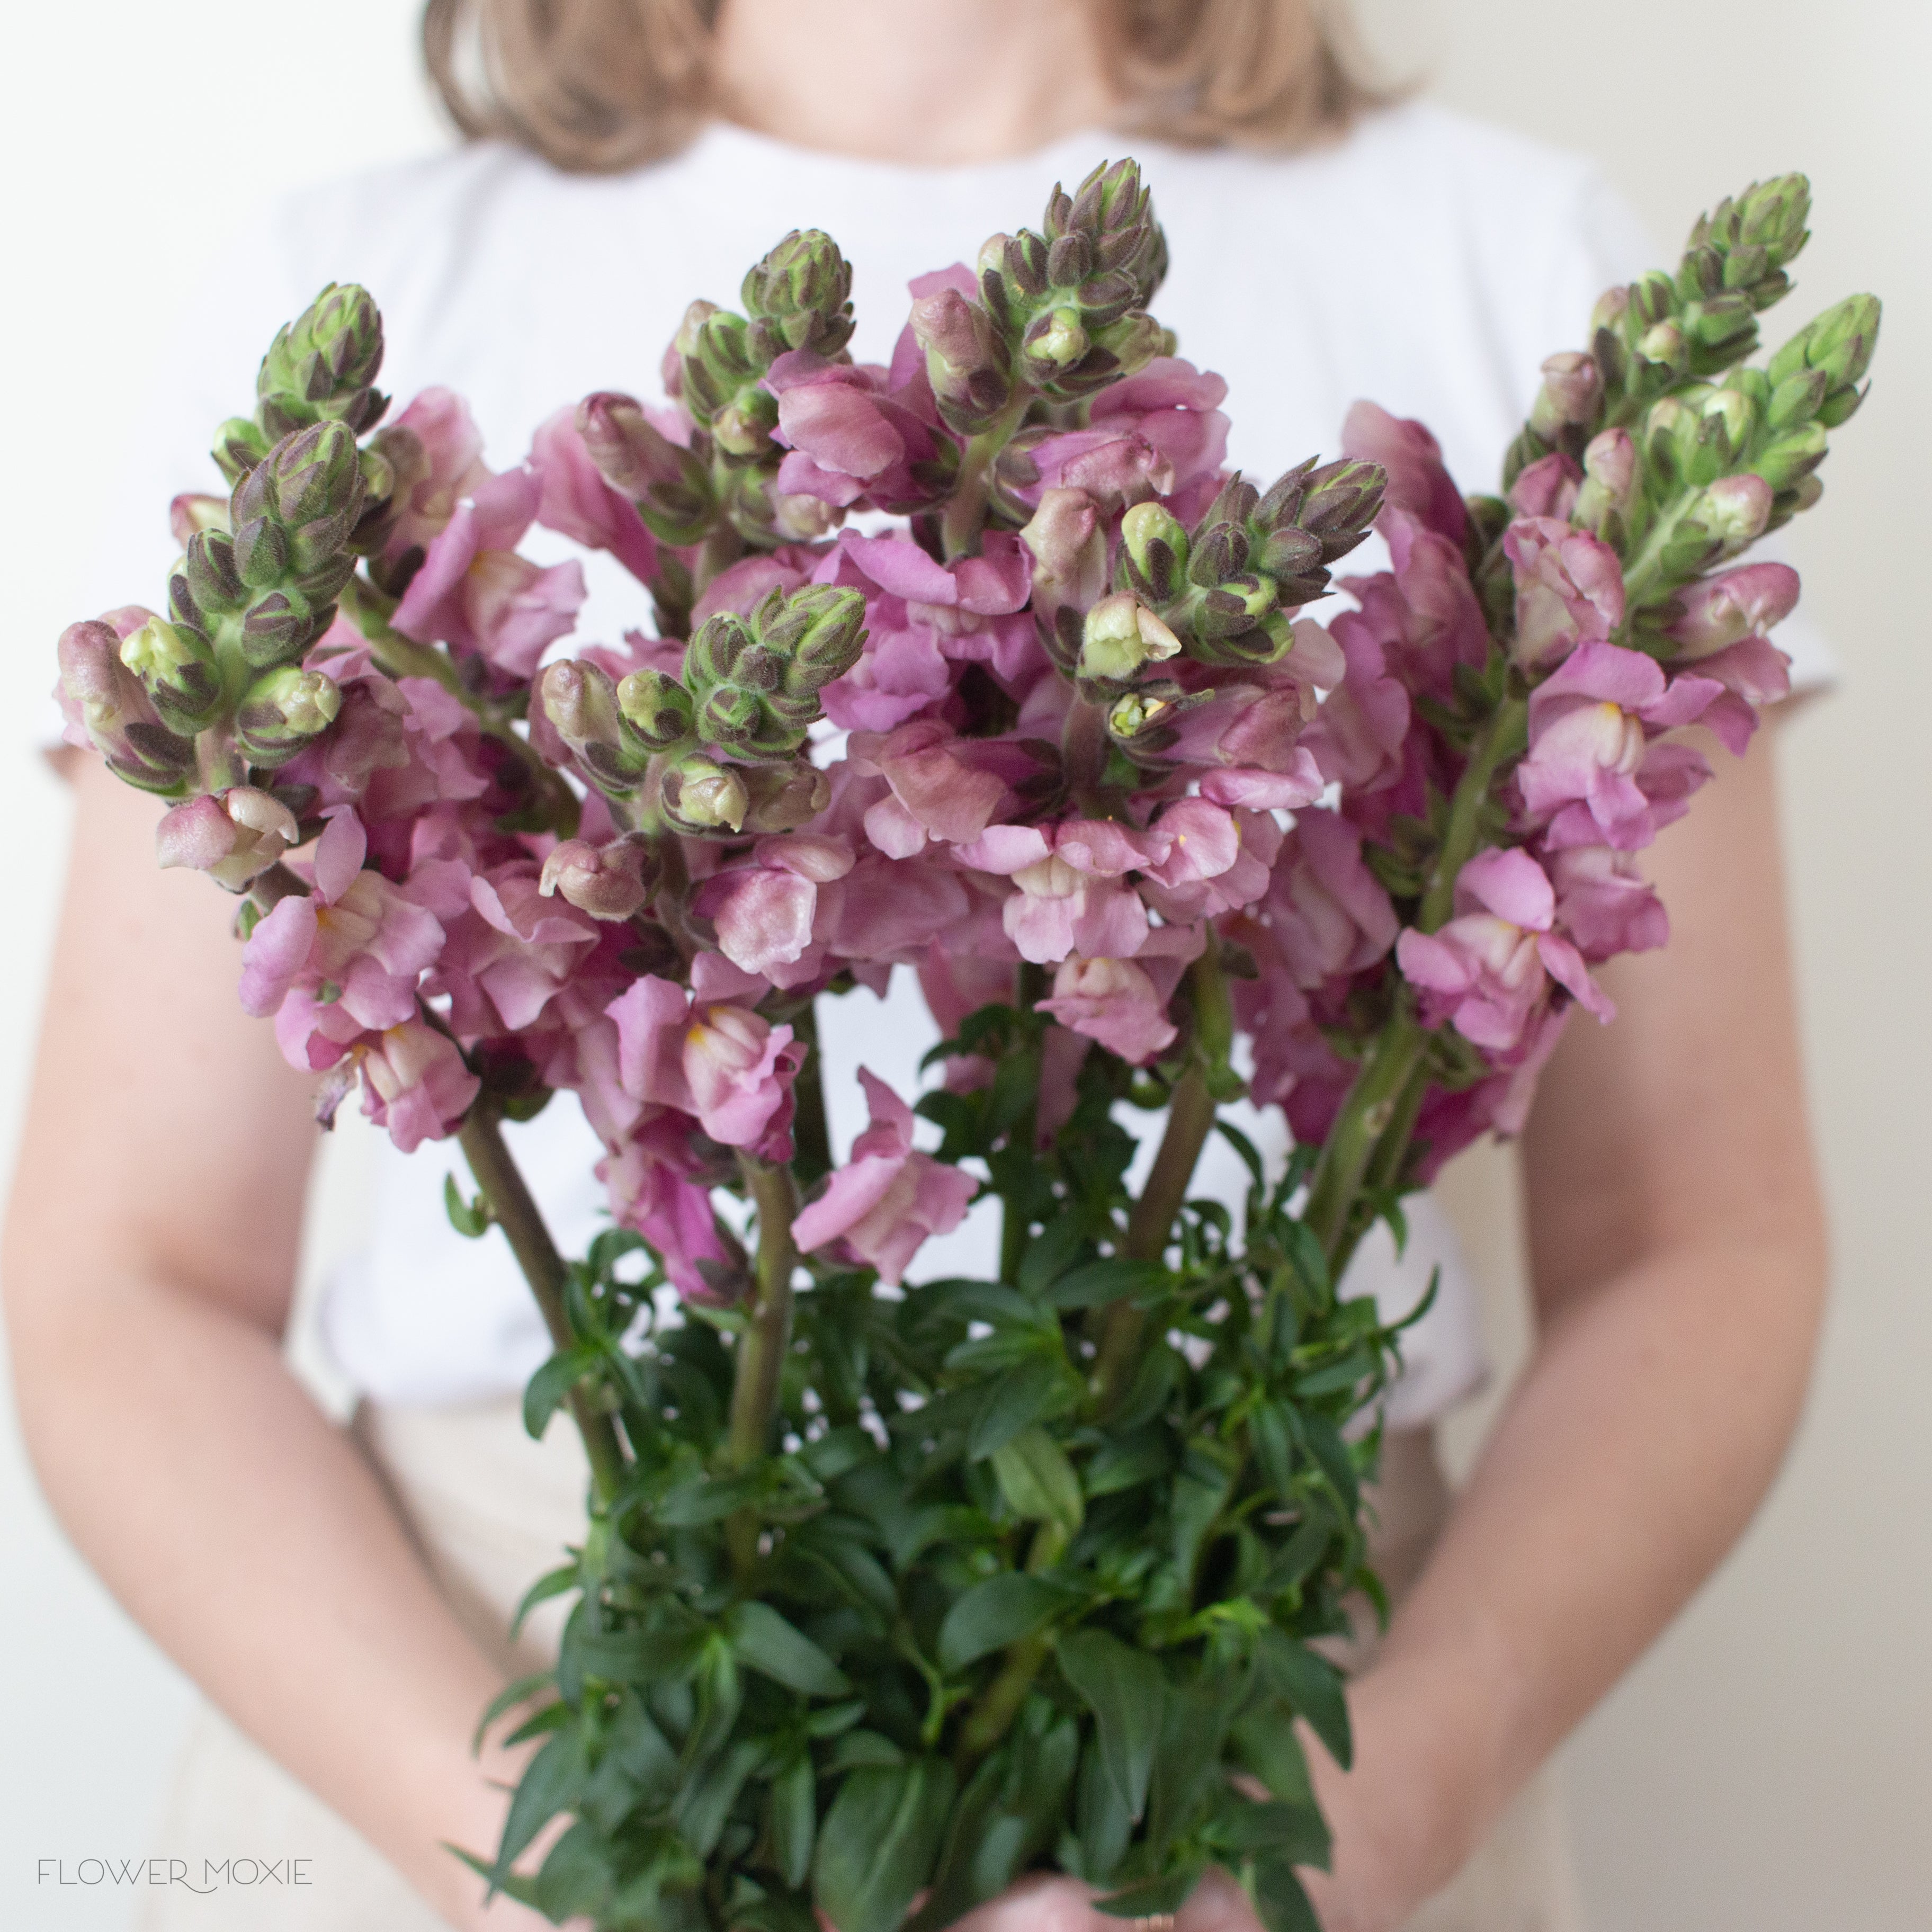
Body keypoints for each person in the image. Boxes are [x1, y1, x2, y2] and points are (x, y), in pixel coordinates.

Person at [2, 3, 1830, 1929]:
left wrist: (1339, 1843)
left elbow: (1702, 1242)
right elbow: (131, 1281)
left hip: (1287, 1716)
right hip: (452, 1709)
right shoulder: (361, 273)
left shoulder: (1502, 250)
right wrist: (552, 1867)